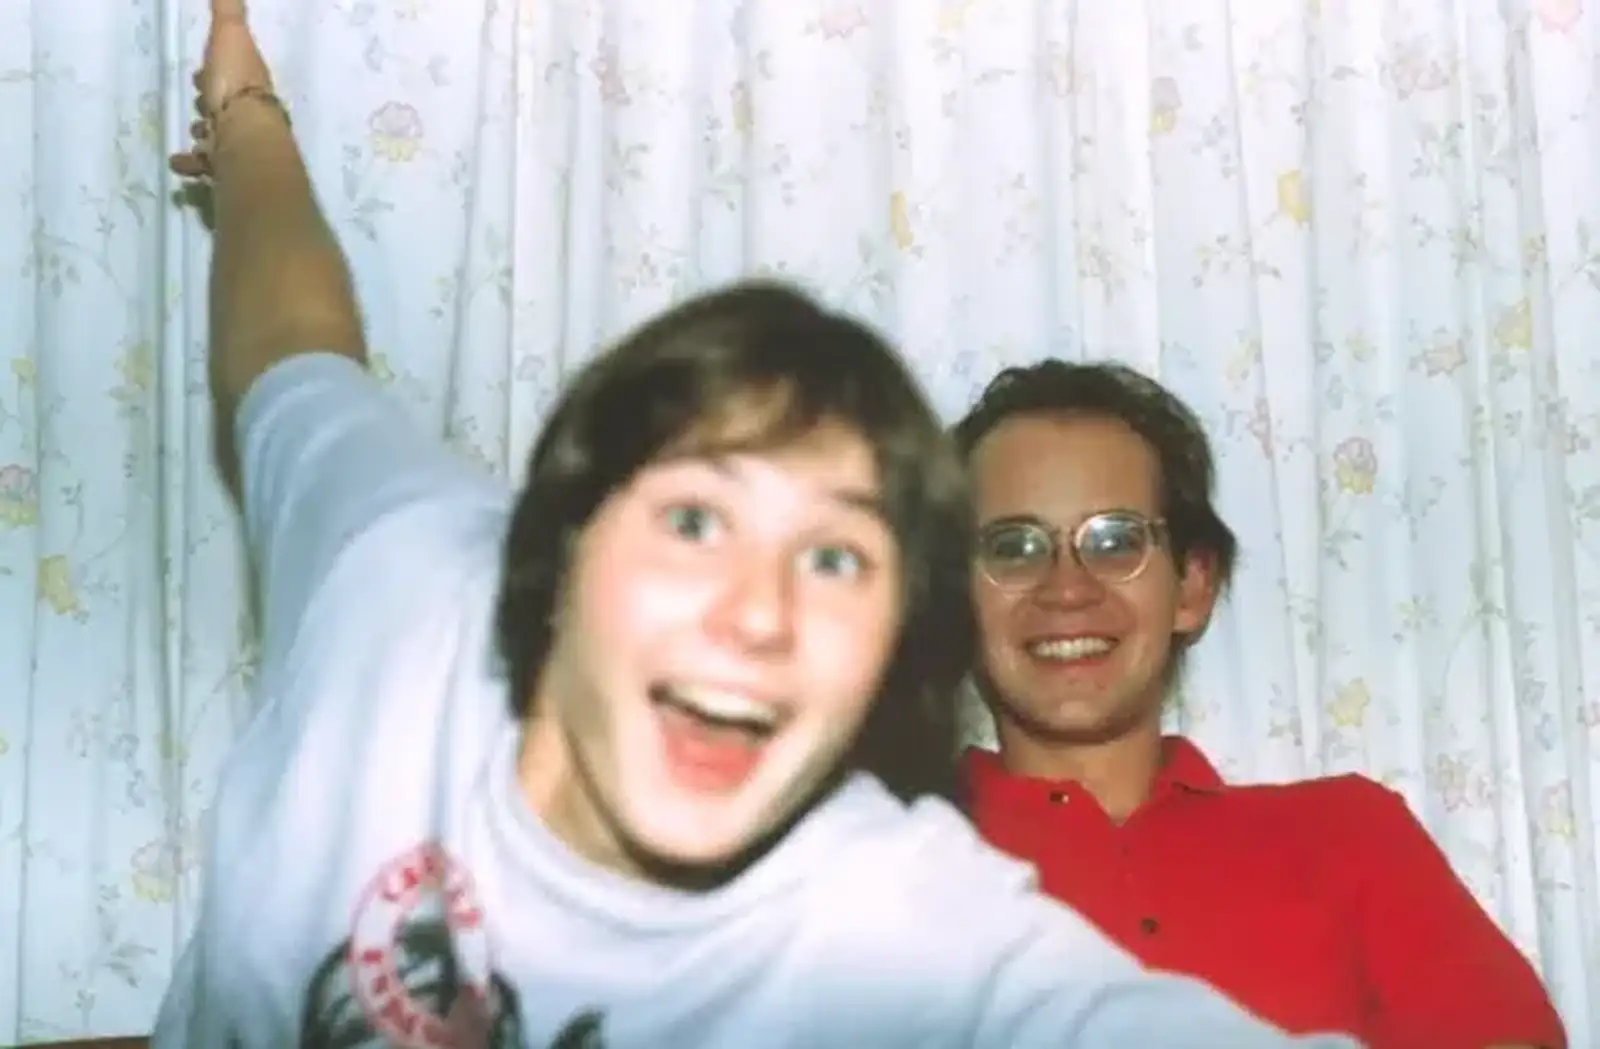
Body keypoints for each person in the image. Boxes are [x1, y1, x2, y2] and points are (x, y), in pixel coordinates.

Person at [151, 3, 1374, 1048]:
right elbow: (291, 345)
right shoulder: (404, 569)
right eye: (694, 519)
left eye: (837, 557)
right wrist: (250, 116)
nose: (759, 607)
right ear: (560, 554)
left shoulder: (887, 907)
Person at [953, 358, 1568, 1049]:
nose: (1066, 588)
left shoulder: (1349, 835)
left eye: (1115, 540)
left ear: (1191, 585)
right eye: (1013, 547)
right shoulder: (873, 873)